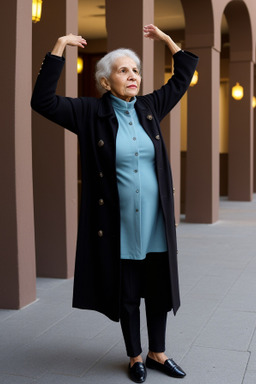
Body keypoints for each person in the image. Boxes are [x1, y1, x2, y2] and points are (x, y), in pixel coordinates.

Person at [31, 24, 198, 383]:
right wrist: (59, 47)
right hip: (119, 225)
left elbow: (181, 78)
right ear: (106, 82)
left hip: (155, 222)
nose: (133, 76)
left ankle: (159, 353)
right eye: (123, 70)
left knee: (158, 291)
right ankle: (135, 356)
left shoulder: (151, 107)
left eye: (136, 70)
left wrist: (169, 43)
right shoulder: (90, 114)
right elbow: (42, 101)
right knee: (127, 293)